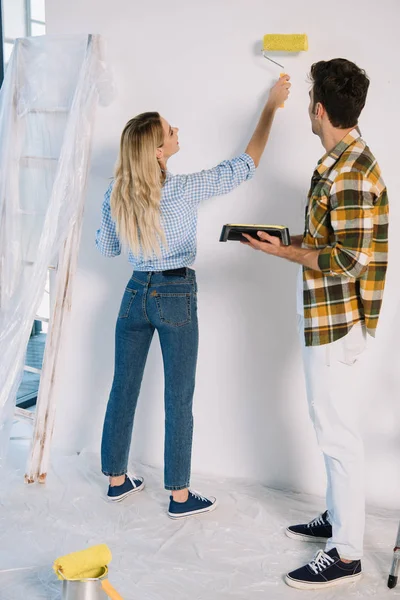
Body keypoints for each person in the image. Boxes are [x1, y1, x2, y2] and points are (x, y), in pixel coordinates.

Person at [96, 76, 291, 519]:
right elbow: (245, 165)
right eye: (171, 130)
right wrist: (270, 109)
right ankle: (179, 497)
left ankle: (115, 480)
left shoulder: (116, 193)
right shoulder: (183, 190)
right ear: (159, 152)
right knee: (178, 396)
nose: (177, 130)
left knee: (122, 388)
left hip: (134, 292)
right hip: (176, 293)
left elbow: (107, 248)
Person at [242, 59, 388, 589]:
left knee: (337, 434)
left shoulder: (350, 171)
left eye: (308, 102)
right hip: (326, 319)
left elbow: (348, 259)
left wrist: (284, 255)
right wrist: (285, 243)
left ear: (319, 110)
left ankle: (346, 552)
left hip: (337, 324)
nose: (308, 109)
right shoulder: (339, 160)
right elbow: (330, 243)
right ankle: (338, 514)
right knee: (329, 424)